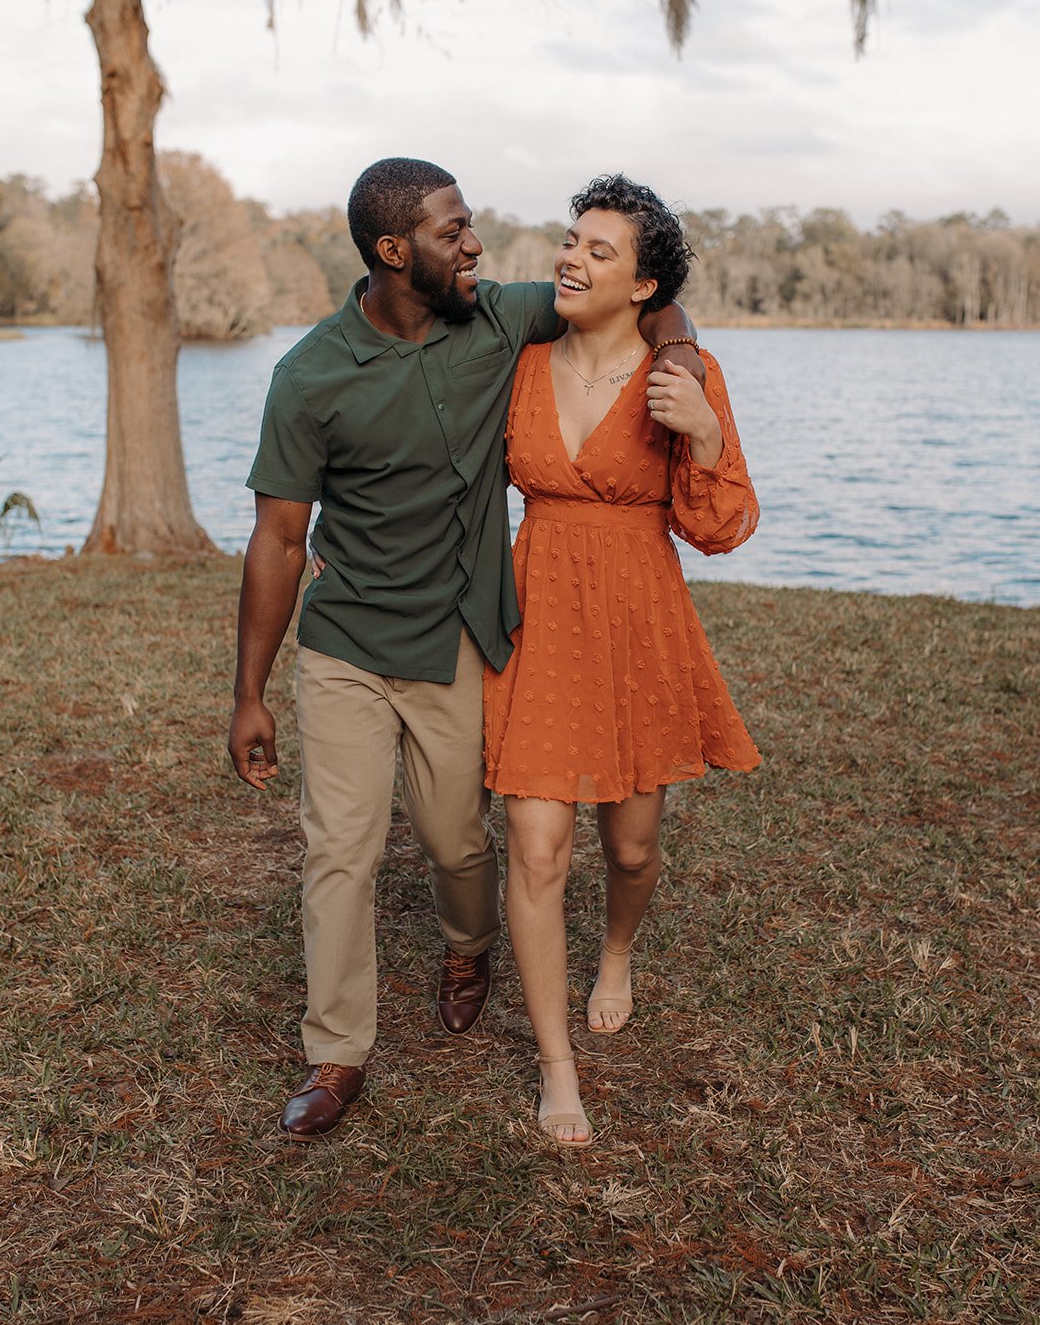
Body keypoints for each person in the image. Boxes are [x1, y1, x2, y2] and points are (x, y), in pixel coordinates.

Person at [227, 157, 704, 1139]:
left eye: (470, 223)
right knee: (340, 849)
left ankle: (468, 944)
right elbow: (276, 538)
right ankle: (336, 1052)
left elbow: (639, 300)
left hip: (454, 638)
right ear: (395, 250)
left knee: (456, 841)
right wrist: (249, 692)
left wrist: (685, 357)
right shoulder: (309, 374)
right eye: (453, 231)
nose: (475, 243)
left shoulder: (494, 317)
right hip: (346, 639)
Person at [483, 173, 760, 1147]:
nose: (572, 257)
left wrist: (708, 435)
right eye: (571, 239)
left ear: (644, 287)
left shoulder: (681, 373)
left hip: (640, 617)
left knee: (631, 846)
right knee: (535, 845)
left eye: (601, 251)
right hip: (540, 614)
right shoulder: (517, 361)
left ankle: (615, 950)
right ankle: (556, 1068)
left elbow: (719, 527)